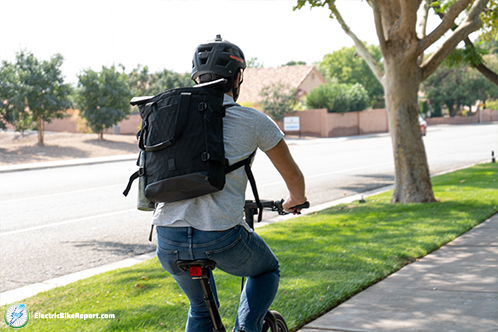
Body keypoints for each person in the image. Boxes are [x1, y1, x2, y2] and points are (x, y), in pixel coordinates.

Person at [153, 35, 307, 332]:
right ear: (237, 78)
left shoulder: (168, 118)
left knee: (200, 308)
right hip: (220, 237)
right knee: (266, 269)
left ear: (196, 78)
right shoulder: (252, 120)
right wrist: (294, 200)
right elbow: (293, 177)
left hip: (168, 239)